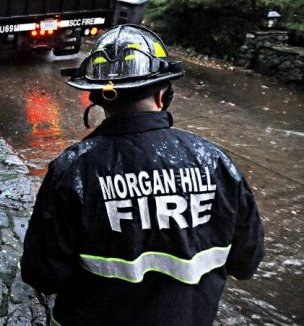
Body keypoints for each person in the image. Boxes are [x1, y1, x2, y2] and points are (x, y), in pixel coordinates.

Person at [20, 24, 264, 326]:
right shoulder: (216, 163)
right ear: (164, 95)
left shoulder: (72, 171)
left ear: (97, 97)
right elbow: (246, 263)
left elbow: (43, 274)